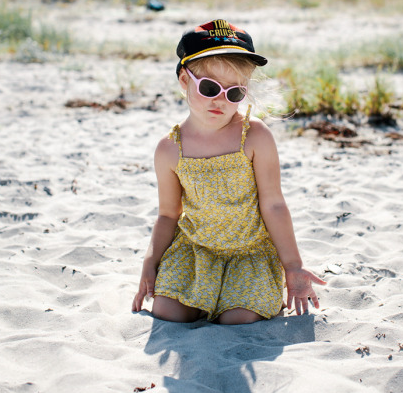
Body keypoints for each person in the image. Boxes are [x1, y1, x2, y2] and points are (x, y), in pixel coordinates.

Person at [132, 19, 326, 324]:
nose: (220, 100)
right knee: (167, 313)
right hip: (196, 252)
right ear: (185, 81)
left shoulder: (255, 137)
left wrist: (293, 265)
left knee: (238, 321)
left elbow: (274, 203)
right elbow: (169, 214)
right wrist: (150, 262)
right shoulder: (170, 149)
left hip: (249, 254)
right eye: (209, 87)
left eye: (234, 93)